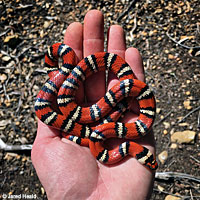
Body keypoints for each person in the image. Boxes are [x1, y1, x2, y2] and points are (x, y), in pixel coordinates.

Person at [31, 10, 156, 200]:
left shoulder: (113, 146)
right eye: (149, 161)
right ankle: (63, 67)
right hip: (92, 118)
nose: (150, 163)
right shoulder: (125, 139)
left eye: (148, 161)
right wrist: (118, 110)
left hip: (91, 125)